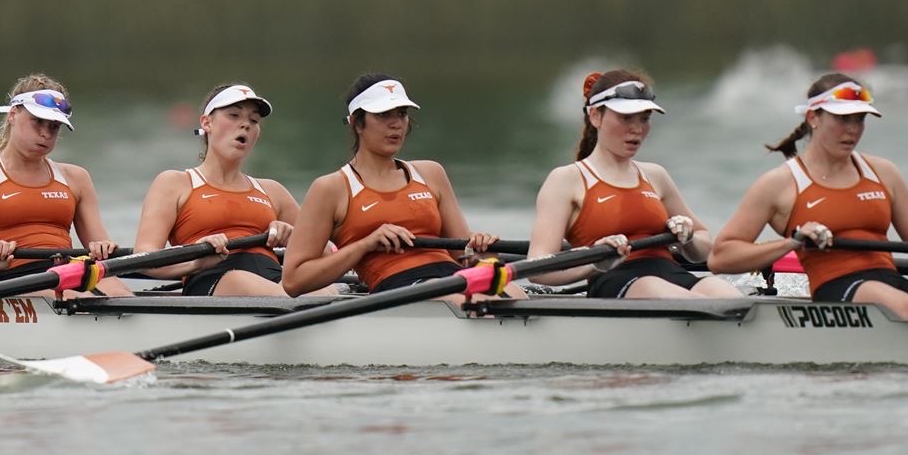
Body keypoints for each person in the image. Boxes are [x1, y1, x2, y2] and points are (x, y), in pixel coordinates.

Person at [708, 73, 908, 321]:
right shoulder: (779, 183)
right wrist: (792, 243)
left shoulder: (884, 173)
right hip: (836, 290)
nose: (853, 130)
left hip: (889, 280)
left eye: (859, 119)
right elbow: (720, 258)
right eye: (843, 119)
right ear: (813, 117)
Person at [281, 74, 511, 299]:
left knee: (516, 293)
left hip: (453, 279)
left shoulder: (431, 173)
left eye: (402, 114)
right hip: (398, 288)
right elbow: (294, 281)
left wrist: (483, 252)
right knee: (475, 298)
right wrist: (366, 245)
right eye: (383, 114)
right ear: (356, 123)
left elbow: (463, 255)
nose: (396, 124)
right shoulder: (330, 188)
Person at [524, 71, 731, 299]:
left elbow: (703, 248)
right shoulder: (565, 180)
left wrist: (688, 236)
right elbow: (538, 269)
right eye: (626, 118)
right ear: (595, 116)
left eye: (644, 118)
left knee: (730, 298)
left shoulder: (655, 175)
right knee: (660, 289)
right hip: (614, 280)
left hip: (671, 273)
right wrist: (597, 261)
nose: (637, 129)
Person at [0, 75, 131, 298]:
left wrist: (102, 248)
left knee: (122, 294)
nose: (46, 134)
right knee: (76, 299)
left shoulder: (77, 178)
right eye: (37, 121)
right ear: (13, 114)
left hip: (70, 271)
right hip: (14, 280)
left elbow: (98, 245)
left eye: (54, 126)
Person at [132, 83, 300, 296]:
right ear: (207, 122)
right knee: (243, 281)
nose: (245, 125)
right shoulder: (174, 183)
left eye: (254, 120)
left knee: (325, 290)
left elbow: (324, 252)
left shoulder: (273, 191)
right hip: (212, 278)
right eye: (233, 115)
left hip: (274, 277)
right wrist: (195, 263)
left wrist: (294, 238)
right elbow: (144, 258)